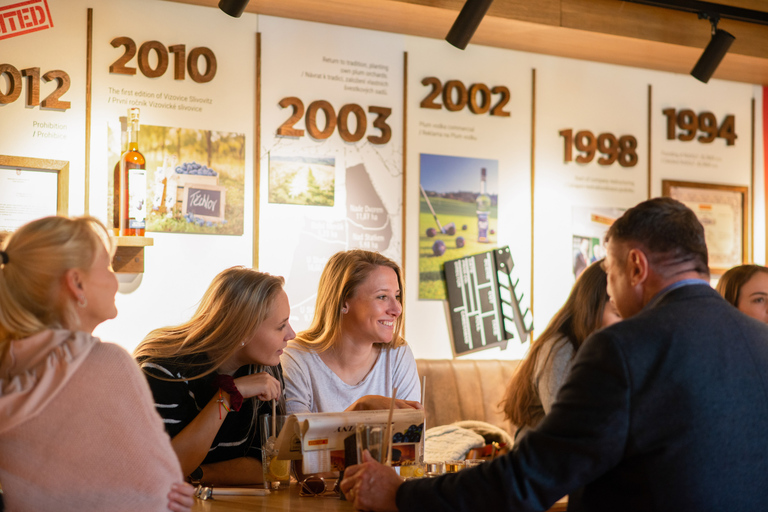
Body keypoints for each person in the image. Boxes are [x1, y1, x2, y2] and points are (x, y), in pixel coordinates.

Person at [341, 197, 768, 511]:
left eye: (610, 271)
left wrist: (400, 494)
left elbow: (529, 480)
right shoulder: (761, 342)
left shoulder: (622, 348)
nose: (611, 287)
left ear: (636, 266)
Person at [0, 216, 193, 512]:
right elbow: (160, 493)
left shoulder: (8, 368)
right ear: (77, 283)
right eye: (107, 266)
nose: (114, 279)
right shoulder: (107, 364)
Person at [134, 267, 294, 486]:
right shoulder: (163, 370)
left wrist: (199, 474)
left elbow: (270, 466)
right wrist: (229, 396)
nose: (291, 334)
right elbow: (167, 468)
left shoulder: (266, 369)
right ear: (243, 331)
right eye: (281, 326)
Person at [281, 249, 421, 413]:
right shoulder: (296, 358)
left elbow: (410, 434)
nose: (397, 309)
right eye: (382, 297)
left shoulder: (397, 354)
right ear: (342, 302)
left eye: (396, 296)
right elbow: (296, 437)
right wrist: (360, 408)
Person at [500, 260, 620, 438]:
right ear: (590, 307)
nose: (627, 323)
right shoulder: (559, 349)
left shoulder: (602, 352)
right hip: (542, 459)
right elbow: (568, 431)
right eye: (618, 314)